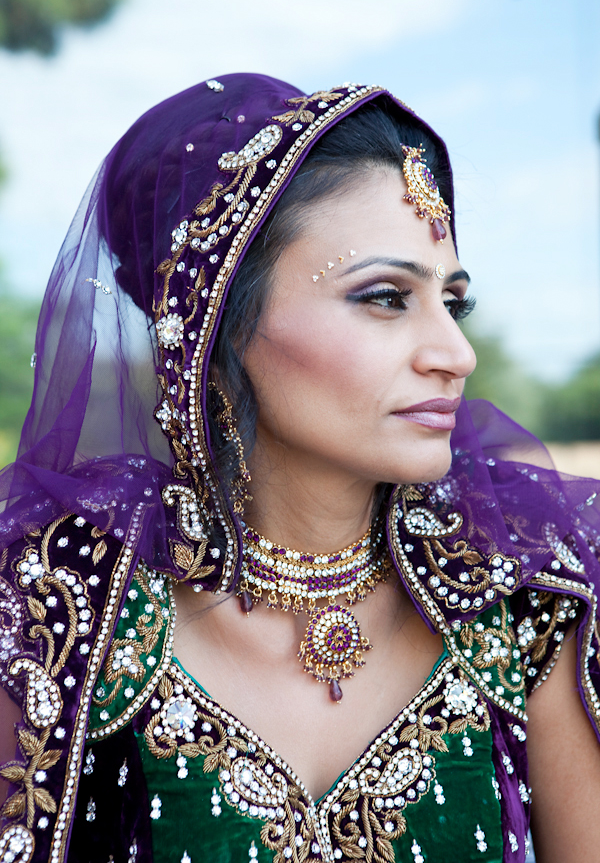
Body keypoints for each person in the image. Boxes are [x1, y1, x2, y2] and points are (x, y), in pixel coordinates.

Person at [1, 74, 600, 863]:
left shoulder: (521, 594)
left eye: (453, 304)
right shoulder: (66, 607)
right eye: (386, 297)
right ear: (217, 321)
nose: (457, 354)